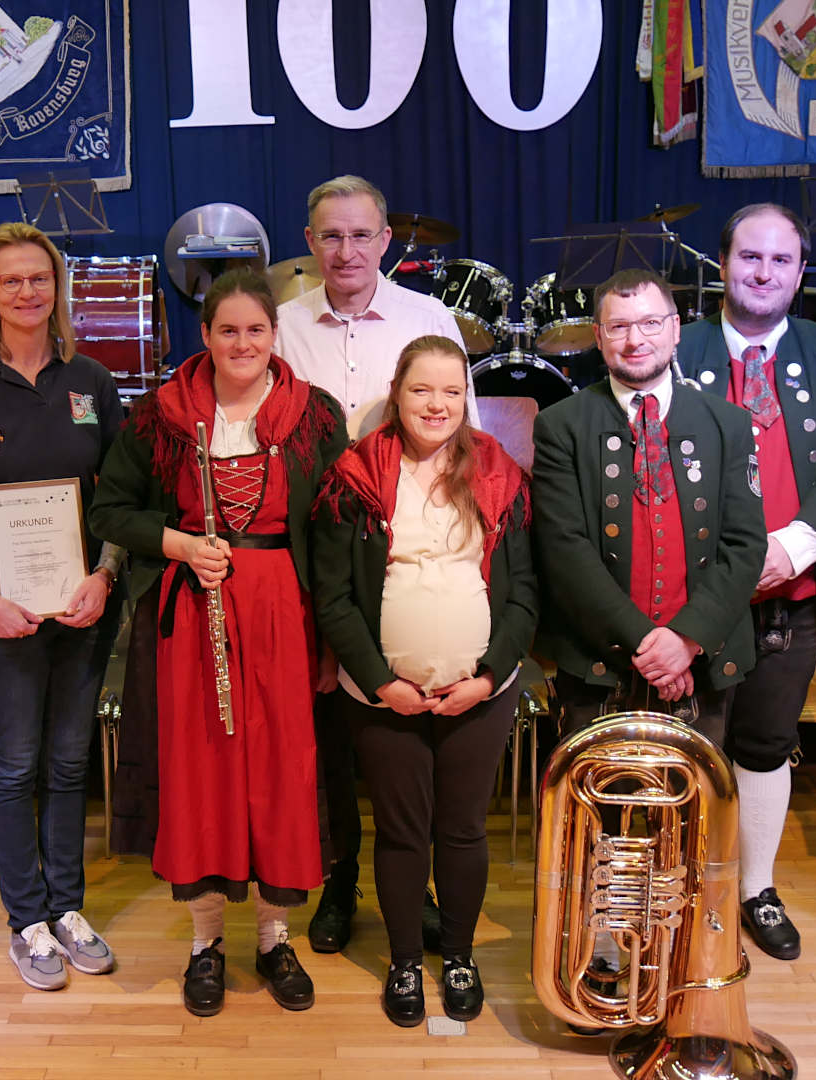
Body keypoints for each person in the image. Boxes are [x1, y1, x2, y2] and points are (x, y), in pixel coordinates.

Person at [90, 268, 347, 1017]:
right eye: (227, 330)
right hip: (192, 620)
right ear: (204, 336)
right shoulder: (159, 417)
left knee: (280, 776)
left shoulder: (315, 418)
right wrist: (173, 541)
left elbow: (336, 538)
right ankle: (206, 944)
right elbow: (109, 512)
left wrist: (332, 639)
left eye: (256, 330)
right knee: (202, 775)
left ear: (275, 335)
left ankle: (273, 939)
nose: (243, 343)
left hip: (283, 618)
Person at [273, 173, 473, 956]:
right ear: (309, 243)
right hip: (311, 551)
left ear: (386, 240)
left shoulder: (430, 320)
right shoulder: (281, 326)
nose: (346, 250)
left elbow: (464, 438)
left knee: (404, 738)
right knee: (326, 736)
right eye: (331, 235)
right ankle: (340, 881)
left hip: (410, 557)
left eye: (362, 235)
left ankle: (413, 880)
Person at [311, 335, 536, 1027]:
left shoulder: (499, 473)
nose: (436, 403)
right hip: (382, 695)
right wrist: (381, 682)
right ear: (397, 394)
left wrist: (490, 674)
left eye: (451, 390)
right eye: (421, 390)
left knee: (464, 831)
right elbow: (334, 598)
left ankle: (459, 955)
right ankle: (406, 959)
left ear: (466, 398)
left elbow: (525, 591)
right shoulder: (352, 476)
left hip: (481, 694)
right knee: (403, 834)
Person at [0, 222, 125, 991]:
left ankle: (68, 909)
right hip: (1, 616)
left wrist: (104, 576)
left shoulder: (92, 382)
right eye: (11, 280)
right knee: (13, 765)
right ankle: (28, 922)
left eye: (39, 278)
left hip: (81, 609)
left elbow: (118, 500)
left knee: (70, 763)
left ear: (57, 286)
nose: (27, 292)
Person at [673, 203, 816, 961]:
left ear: (799, 271)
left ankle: (755, 887)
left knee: (763, 745)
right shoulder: (676, 342)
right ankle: (690, 893)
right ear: (722, 264)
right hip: (693, 597)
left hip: (793, 590)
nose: (763, 273)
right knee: (693, 750)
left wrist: (794, 546)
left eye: (780, 261)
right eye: (749, 257)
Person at [532, 268, 766, 739]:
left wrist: (686, 639)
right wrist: (650, 646)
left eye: (650, 323)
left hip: (703, 659)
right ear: (598, 337)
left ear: (676, 329)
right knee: (594, 812)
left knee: (694, 810)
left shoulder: (729, 424)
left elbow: (744, 545)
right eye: (618, 327)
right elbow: (564, 551)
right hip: (597, 662)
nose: (635, 340)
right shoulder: (561, 426)